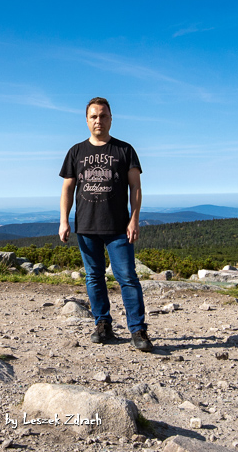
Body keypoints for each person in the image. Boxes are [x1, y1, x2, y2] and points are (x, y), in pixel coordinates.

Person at [59, 97, 153, 352]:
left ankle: (138, 330)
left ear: (111, 119)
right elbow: (67, 189)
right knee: (94, 277)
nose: (98, 121)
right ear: (86, 120)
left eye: (103, 116)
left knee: (127, 277)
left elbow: (135, 187)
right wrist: (63, 220)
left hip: (119, 227)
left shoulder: (125, 150)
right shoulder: (76, 152)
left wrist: (134, 219)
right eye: (94, 116)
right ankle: (103, 324)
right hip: (86, 226)